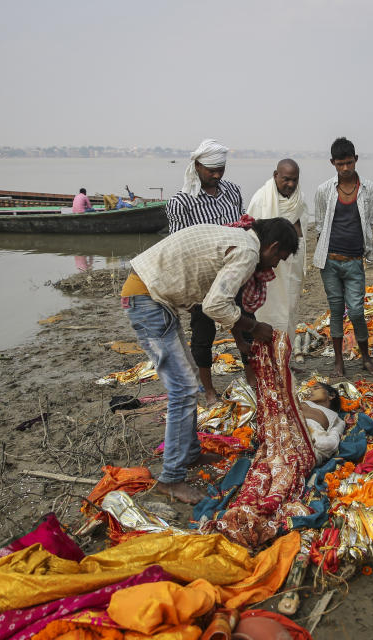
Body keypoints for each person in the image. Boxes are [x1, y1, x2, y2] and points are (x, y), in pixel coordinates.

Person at [120, 218, 299, 504]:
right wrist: (253, 327)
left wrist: (241, 332)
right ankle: (171, 479)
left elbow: (216, 300)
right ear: (273, 246)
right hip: (147, 299)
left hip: (152, 296)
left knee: (188, 381)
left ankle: (189, 454)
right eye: (279, 257)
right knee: (183, 389)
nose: (276, 265)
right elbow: (216, 305)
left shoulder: (240, 239)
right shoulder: (249, 251)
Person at [165, 139, 245, 404]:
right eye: (211, 169)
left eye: (221, 168)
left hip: (234, 273)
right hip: (202, 280)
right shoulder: (181, 202)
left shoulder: (232, 191)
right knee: (203, 335)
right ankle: (209, 390)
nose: (217, 174)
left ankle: (253, 378)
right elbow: (178, 248)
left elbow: (242, 226)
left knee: (242, 325)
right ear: (197, 166)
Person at [313, 137, 373, 377]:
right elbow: (320, 225)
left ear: (356, 160)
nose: (345, 168)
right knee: (335, 310)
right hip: (330, 261)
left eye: (349, 162)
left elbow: (372, 221)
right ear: (333, 163)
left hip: (355, 262)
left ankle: (366, 358)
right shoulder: (324, 190)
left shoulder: (369, 189)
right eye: (340, 164)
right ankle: (338, 363)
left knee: (356, 311)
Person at [246, 159, 307, 335]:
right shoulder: (261, 199)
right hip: (269, 266)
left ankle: (285, 357)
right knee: (269, 310)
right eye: (286, 179)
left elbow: (302, 228)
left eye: (295, 180)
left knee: (290, 308)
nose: (291, 184)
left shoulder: (299, 198)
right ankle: (268, 357)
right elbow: (251, 234)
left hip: (292, 263)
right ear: (275, 175)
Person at [299, 382, 346, 463]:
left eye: (316, 388)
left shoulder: (336, 419)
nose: (310, 391)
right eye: (310, 389)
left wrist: (313, 440)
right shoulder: (299, 403)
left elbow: (331, 444)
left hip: (303, 442)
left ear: (331, 395)